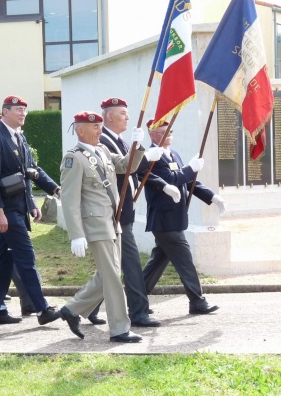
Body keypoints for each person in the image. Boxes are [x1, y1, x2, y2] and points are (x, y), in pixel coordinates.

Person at [57, 111, 163, 342]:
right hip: (95, 224)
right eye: (93, 127)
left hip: (112, 222)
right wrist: (76, 234)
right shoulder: (73, 158)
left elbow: (126, 166)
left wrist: (137, 145)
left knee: (108, 274)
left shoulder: (103, 150)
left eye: (99, 126)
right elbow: (70, 199)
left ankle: (72, 310)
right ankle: (119, 328)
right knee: (113, 276)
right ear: (80, 130)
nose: (98, 131)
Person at [0, 95, 61, 326]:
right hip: (7, 211)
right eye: (18, 110)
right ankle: (42, 309)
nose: (23, 113)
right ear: (4, 112)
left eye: (25, 110)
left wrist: (52, 189)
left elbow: (31, 170)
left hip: (18, 208)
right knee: (26, 257)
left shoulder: (19, 137)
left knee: (4, 261)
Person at [141, 120, 224, 315]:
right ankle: (197, 301)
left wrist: (212, 197)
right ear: (152, 135)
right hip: (164, 220)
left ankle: (136, 298)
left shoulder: (173, 153)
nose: (167, 135)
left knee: (157, 263)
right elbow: (171, 179)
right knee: (185, 260)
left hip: (175, 219)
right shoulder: (152, 157)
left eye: (170, 132)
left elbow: (188, 181)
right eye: (162, 132)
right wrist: (190, 169)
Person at [91, 97, 161, 327]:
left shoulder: (118, 140)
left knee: (113, 265)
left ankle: (88, 307)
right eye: (122, 113)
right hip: (115, 211)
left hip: (125, 208)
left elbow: (132, 168)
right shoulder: (103, 141)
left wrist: (141, 152)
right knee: (129, 263)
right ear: (109, 116)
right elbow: (121, 168)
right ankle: (139, 311)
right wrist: (140, 152)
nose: (127, 117)